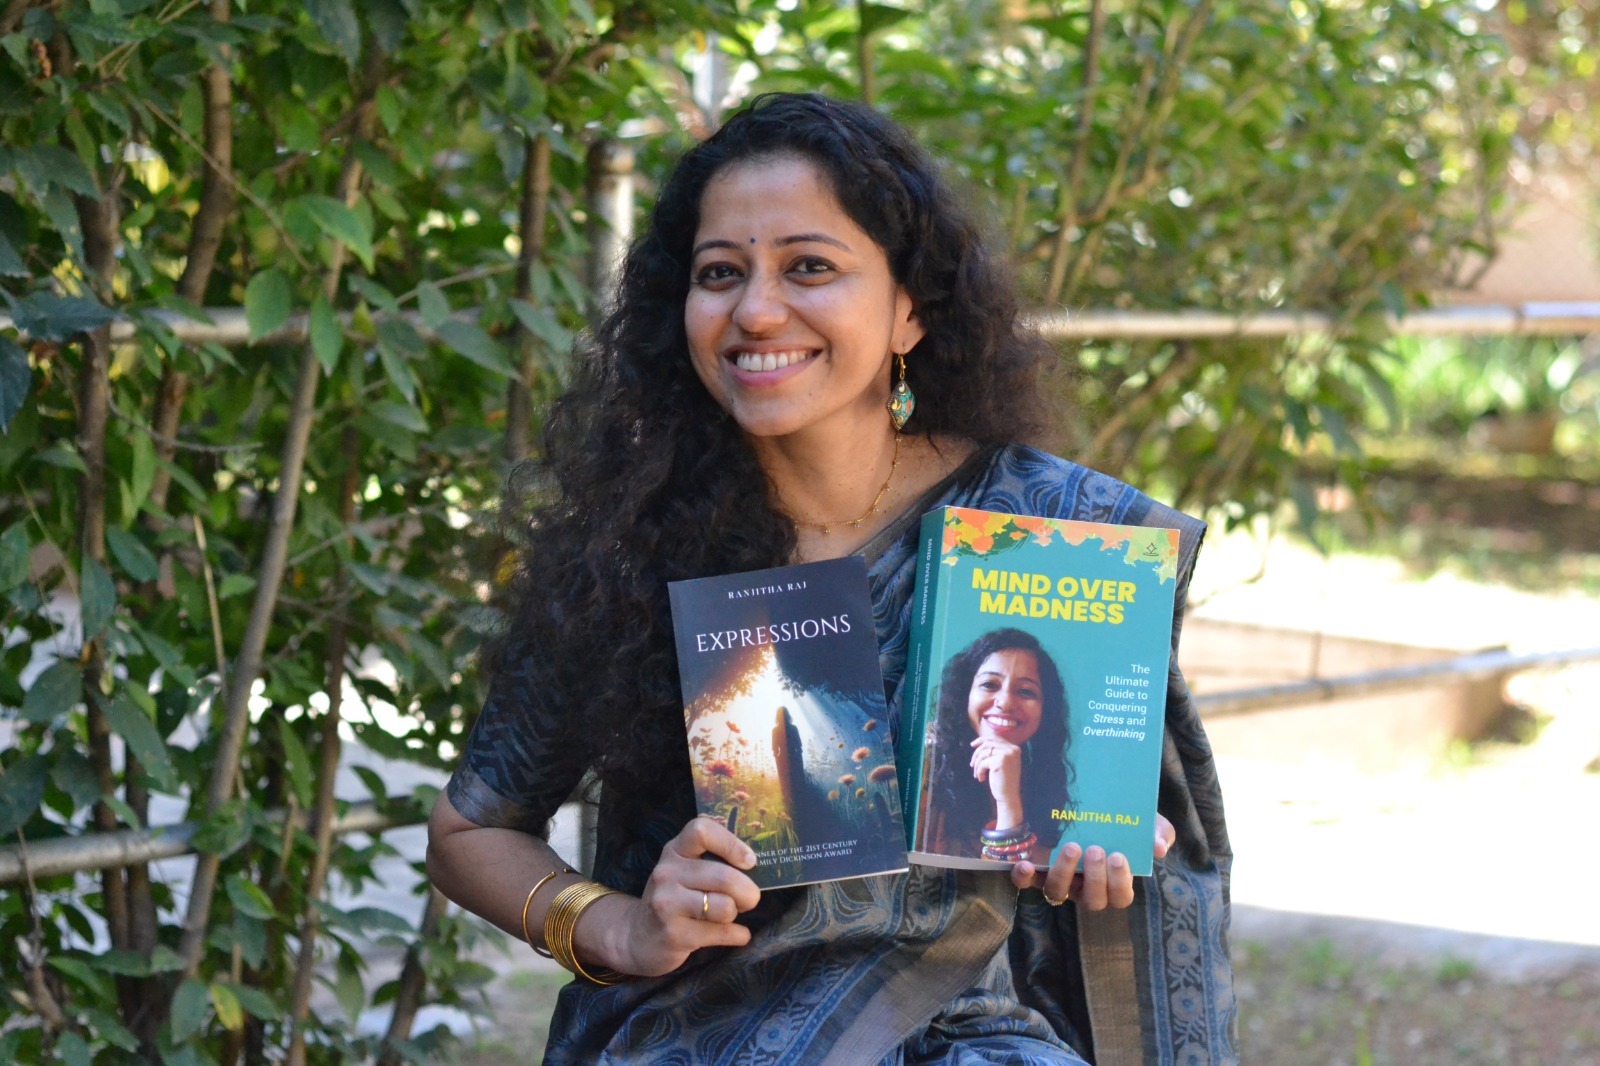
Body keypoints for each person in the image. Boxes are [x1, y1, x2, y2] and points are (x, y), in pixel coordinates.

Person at [427, 92, 1237, 1063]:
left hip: (957, 1038)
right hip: (698, 1030)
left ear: (908, 309)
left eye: (808, 266)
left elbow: (1129, 847)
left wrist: (1096, 847)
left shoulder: (1041, 535)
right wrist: (619, 925)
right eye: (719, 273)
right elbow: (468, 834)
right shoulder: (631, 545)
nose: (756, 310)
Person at [926, 629, 1073, 864]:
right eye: (989, 684)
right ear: (966, 693)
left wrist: (1008, 802)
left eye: (1025, 691)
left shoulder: (1040, 780)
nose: (1004, 702)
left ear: (1045, 709)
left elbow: (1014, 880)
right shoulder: (926, 761)